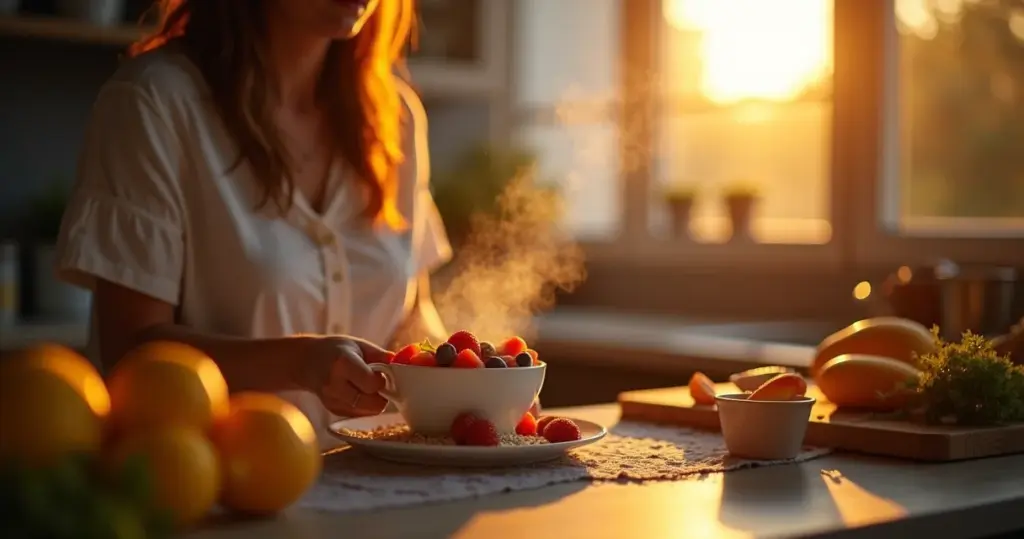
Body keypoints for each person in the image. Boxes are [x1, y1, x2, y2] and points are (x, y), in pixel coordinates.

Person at [53, 0, 452, 446]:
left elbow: (410, 318)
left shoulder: (392, 117)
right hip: (209, 486)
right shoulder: (154, 101)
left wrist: (468, 385)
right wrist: (300, 361)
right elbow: (130, 352)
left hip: (373, 488)